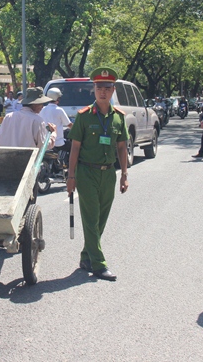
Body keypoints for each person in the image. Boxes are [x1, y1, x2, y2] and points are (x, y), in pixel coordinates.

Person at [66, 67, 128, 282]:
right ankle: (99, 264)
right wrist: (71, 177)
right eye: (99, 88)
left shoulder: (119, 117)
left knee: (101, 218)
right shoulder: (83, 117)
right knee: (91, 219)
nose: (103, 92)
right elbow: (75, 148)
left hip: (108, 173)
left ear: (113, 91)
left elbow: (122, 147)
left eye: (107, 88)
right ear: (94, 90)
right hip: (86, 172)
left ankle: (86, 257)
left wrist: (124, 175)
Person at [39, 87, 72, 153]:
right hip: (58, 143)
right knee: (73, 147)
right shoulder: (59, 110)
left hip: (46, 143)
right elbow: (69, 125)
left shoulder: (42, 109)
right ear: (58, 99)